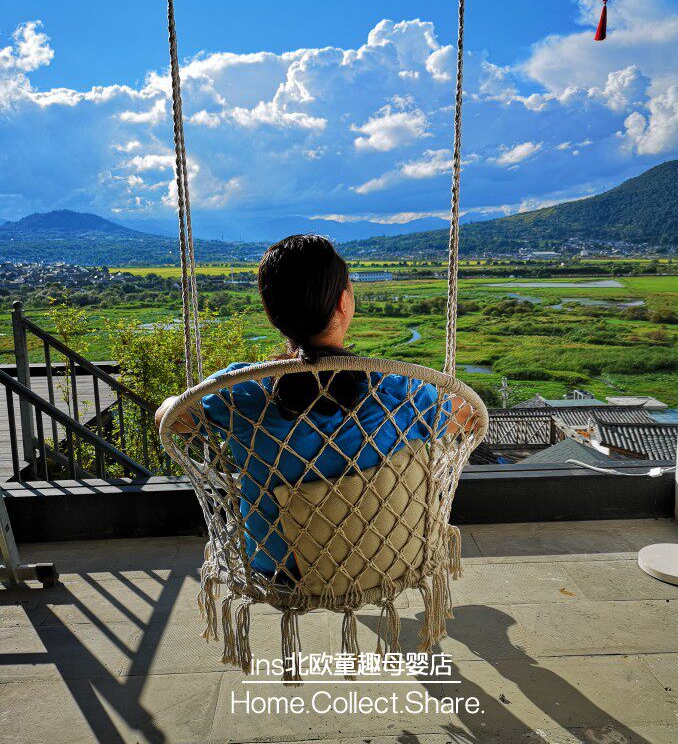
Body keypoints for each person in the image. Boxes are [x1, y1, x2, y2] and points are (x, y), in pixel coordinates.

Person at [156, 234, 474, 581]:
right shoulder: (399, 390)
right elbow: (467, 415)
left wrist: (178, 399)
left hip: (280, 569)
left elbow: (170, 419)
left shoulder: (240, 390)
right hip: (387, 558)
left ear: (273, 313)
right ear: (343, 302)